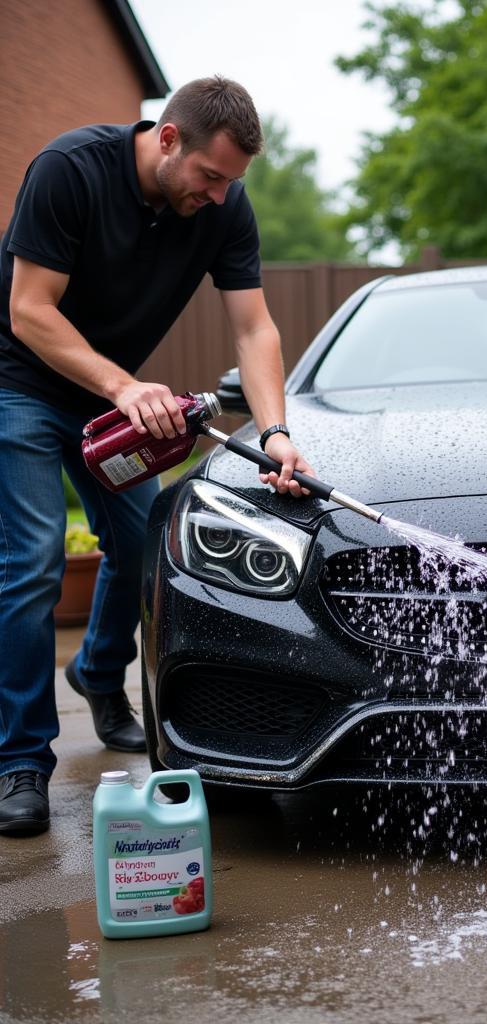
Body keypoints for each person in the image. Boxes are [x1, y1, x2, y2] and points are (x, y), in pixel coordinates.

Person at [0, 77, 315, 835]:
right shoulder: (69, 171)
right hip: (20, 384)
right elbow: (27, 308)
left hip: (109, 399)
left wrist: (275, 432)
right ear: (168, 139)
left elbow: (255, 329)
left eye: (230, 182)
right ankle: (19, 761)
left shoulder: (223, 207)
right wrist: (121, 384)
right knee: (36, 558)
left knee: (147, 541)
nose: (217, 196)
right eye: (210, 177)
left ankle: (99, 674)